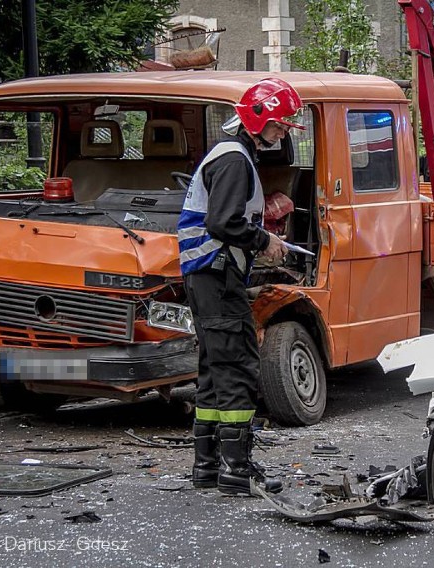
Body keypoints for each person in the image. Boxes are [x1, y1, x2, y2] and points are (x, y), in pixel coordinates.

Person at [178, 77, 303, 496]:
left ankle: (207, 466)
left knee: (214, 371)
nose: (284, 132)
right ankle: (237, 469)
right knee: (237, 367)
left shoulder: (230, 156)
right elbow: (223, 223)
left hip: (207, 275)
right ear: (259, 118)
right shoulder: (234, 160)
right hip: (216, 274)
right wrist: (264, 241)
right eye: (281, 124)